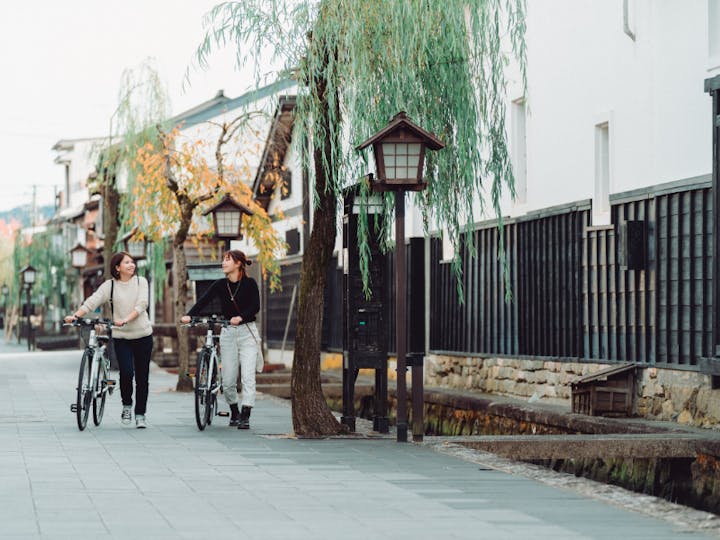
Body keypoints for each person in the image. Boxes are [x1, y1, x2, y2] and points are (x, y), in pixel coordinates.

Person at [65, 252, 153, 429]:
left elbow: (142, 303)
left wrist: (126, 319)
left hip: (143, 335)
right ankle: (127, 406)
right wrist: (76, 315)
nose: (131, 265)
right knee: (127, 373)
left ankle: (140, 414)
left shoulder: (140, 281)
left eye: (132, 262)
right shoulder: (110, 286)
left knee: (142, 377)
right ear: (117, 267)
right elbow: (93, 301)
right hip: (122, 337)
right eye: (126, 262)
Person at [181, 249, 260, 429]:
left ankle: (246, 414)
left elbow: (255, 306)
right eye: (223, 260)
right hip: (228, 333)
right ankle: (234, 411)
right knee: (228, 379)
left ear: (238, 264)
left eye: (227, 260)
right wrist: (189, 316)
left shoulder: (250, 284)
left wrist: (241, 317)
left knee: (248, 376)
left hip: (247, 332)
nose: (223, 263)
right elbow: (203, 301)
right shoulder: (219, 285)